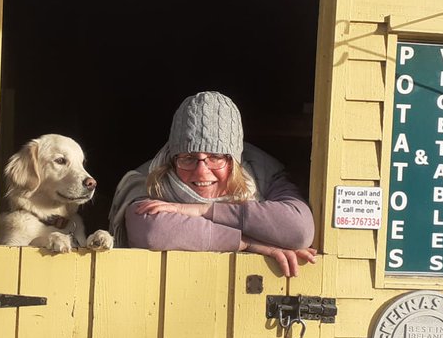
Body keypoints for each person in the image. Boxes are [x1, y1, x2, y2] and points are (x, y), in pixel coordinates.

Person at [108, 91, 317, 277]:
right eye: (188, 158)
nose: (201, 171)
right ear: (172, 159)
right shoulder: (151, 177)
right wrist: (248, 243)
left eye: (215, 157)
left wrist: (202, 210)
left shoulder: (265, 173)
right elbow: (151, 231)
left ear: (235, 161)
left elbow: (299, 230)